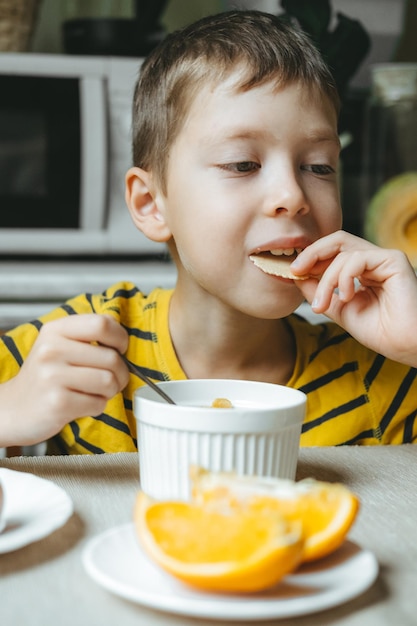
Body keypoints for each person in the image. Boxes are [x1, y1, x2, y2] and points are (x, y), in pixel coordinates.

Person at [1, 10, 417, 454]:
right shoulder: (81, 343)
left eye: (318, 166)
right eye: (243, 164)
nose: (292, 195)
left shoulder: (378, 379)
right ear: (150, 204)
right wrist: (8, 411)